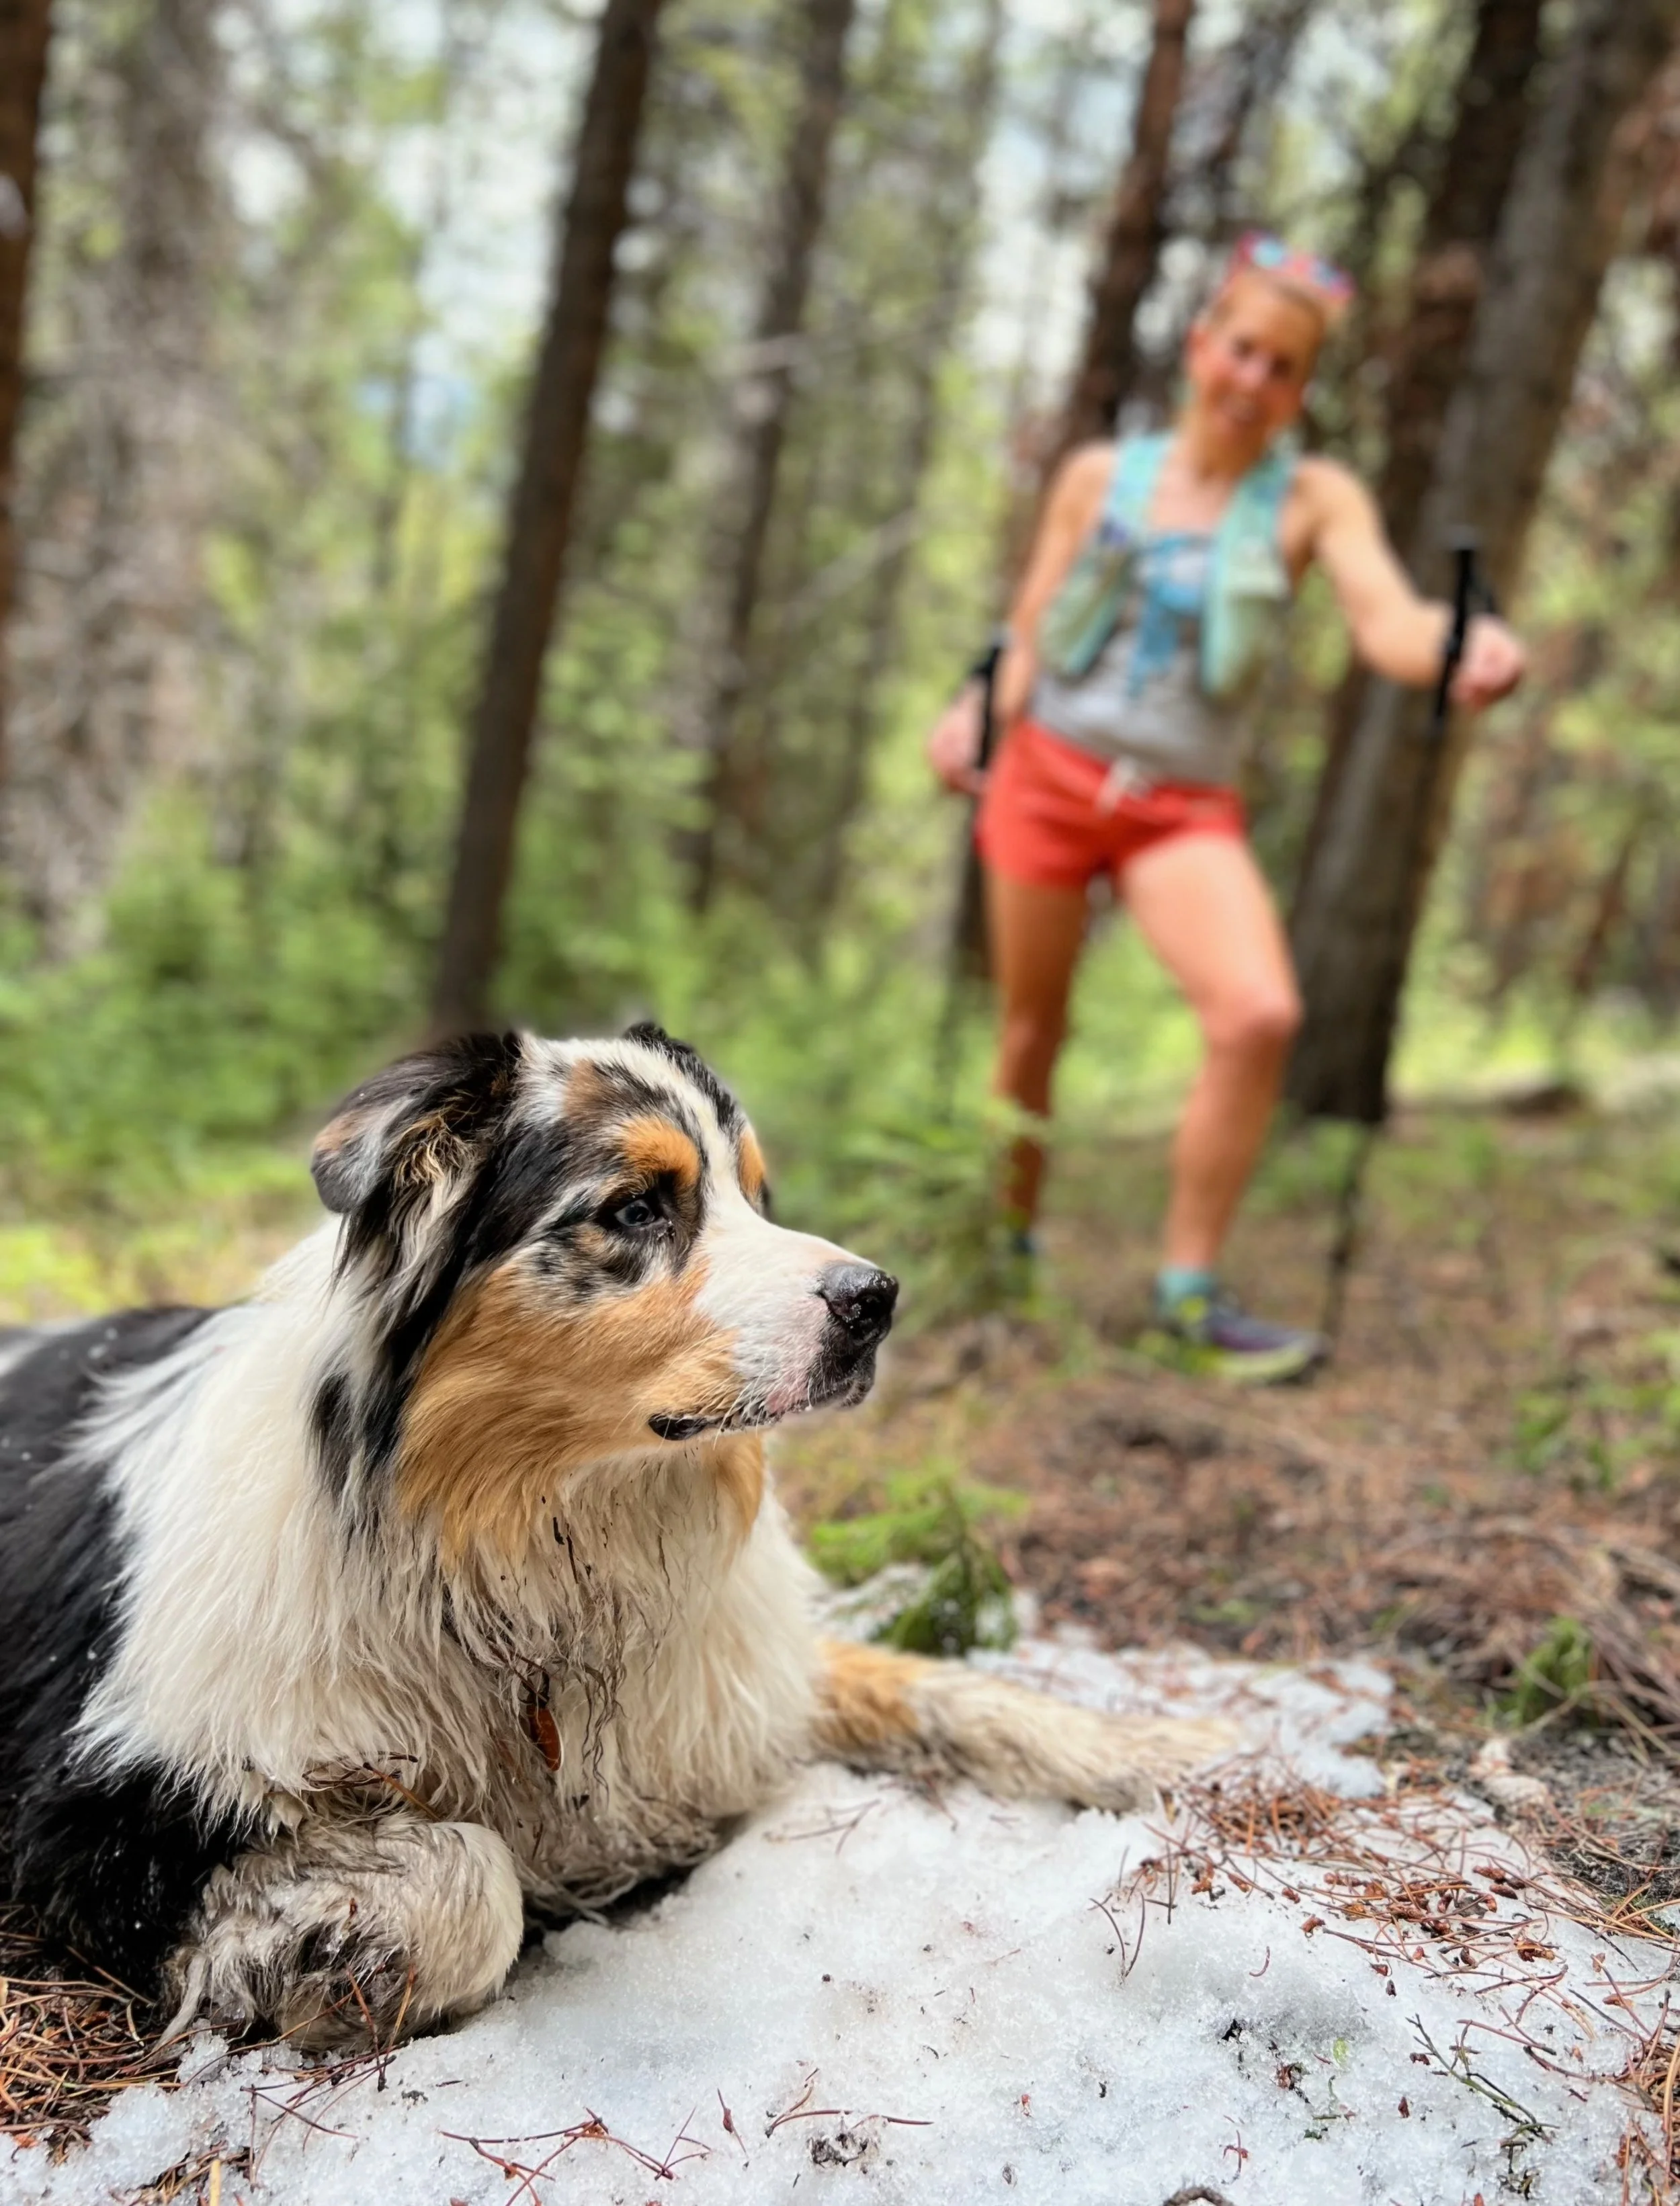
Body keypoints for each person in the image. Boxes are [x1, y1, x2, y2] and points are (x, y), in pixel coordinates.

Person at [928, 234, 1525, 1384]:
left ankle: (1187, 1294)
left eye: (1283, 367)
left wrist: (1460, 649)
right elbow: (1030, 627)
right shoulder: (1099, 479)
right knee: (1030, 1030)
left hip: (1180, 808)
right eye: (1241, 350)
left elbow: (1387, 620)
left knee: (1257, 1014)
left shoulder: (1312, 497)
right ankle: (1003, 1252)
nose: (1253, 380)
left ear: (1303, 389)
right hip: (1050, 776)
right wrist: (973, 714)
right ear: (1203, 346)